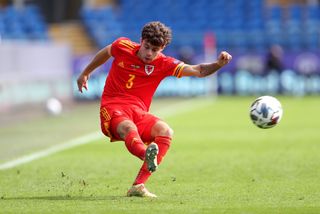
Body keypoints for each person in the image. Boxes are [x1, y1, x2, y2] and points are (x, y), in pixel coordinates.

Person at [77, 21, 232, 198]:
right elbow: (106, 53)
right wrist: (86, 73)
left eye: (155, 50)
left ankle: (138, 185)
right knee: (129, 128)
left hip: (139, 112)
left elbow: (198, 70)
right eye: (147, 47)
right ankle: (146, 155)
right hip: (113, 106)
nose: (149, 53)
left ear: (163, 48)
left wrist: (218, 64)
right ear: (141, 40)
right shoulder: (123, 46)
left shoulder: (165, 63)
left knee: (166, 131)